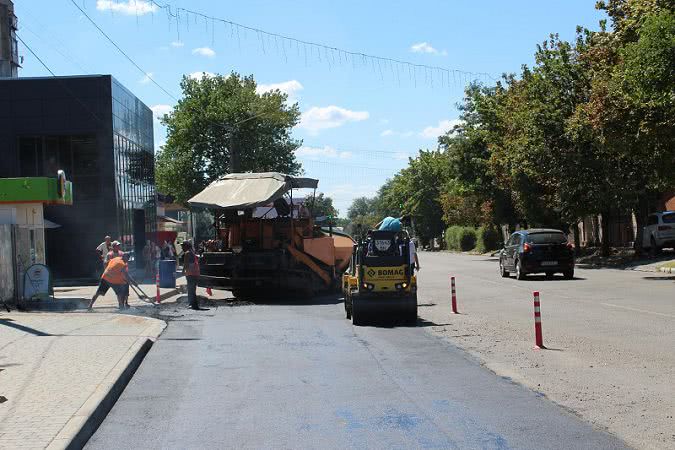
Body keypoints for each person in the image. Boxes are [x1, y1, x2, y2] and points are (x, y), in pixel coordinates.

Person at [181, 241, 200, 310]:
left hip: (191, 274)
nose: (182, 247)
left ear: (186, 246)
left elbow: (186, 264)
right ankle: (193, 304)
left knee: (190, 289)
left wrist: (183, 271)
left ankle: (192, 304)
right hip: (195, 273)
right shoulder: (192, 252)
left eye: (183, 246)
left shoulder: (187, 253)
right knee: (193, 289)